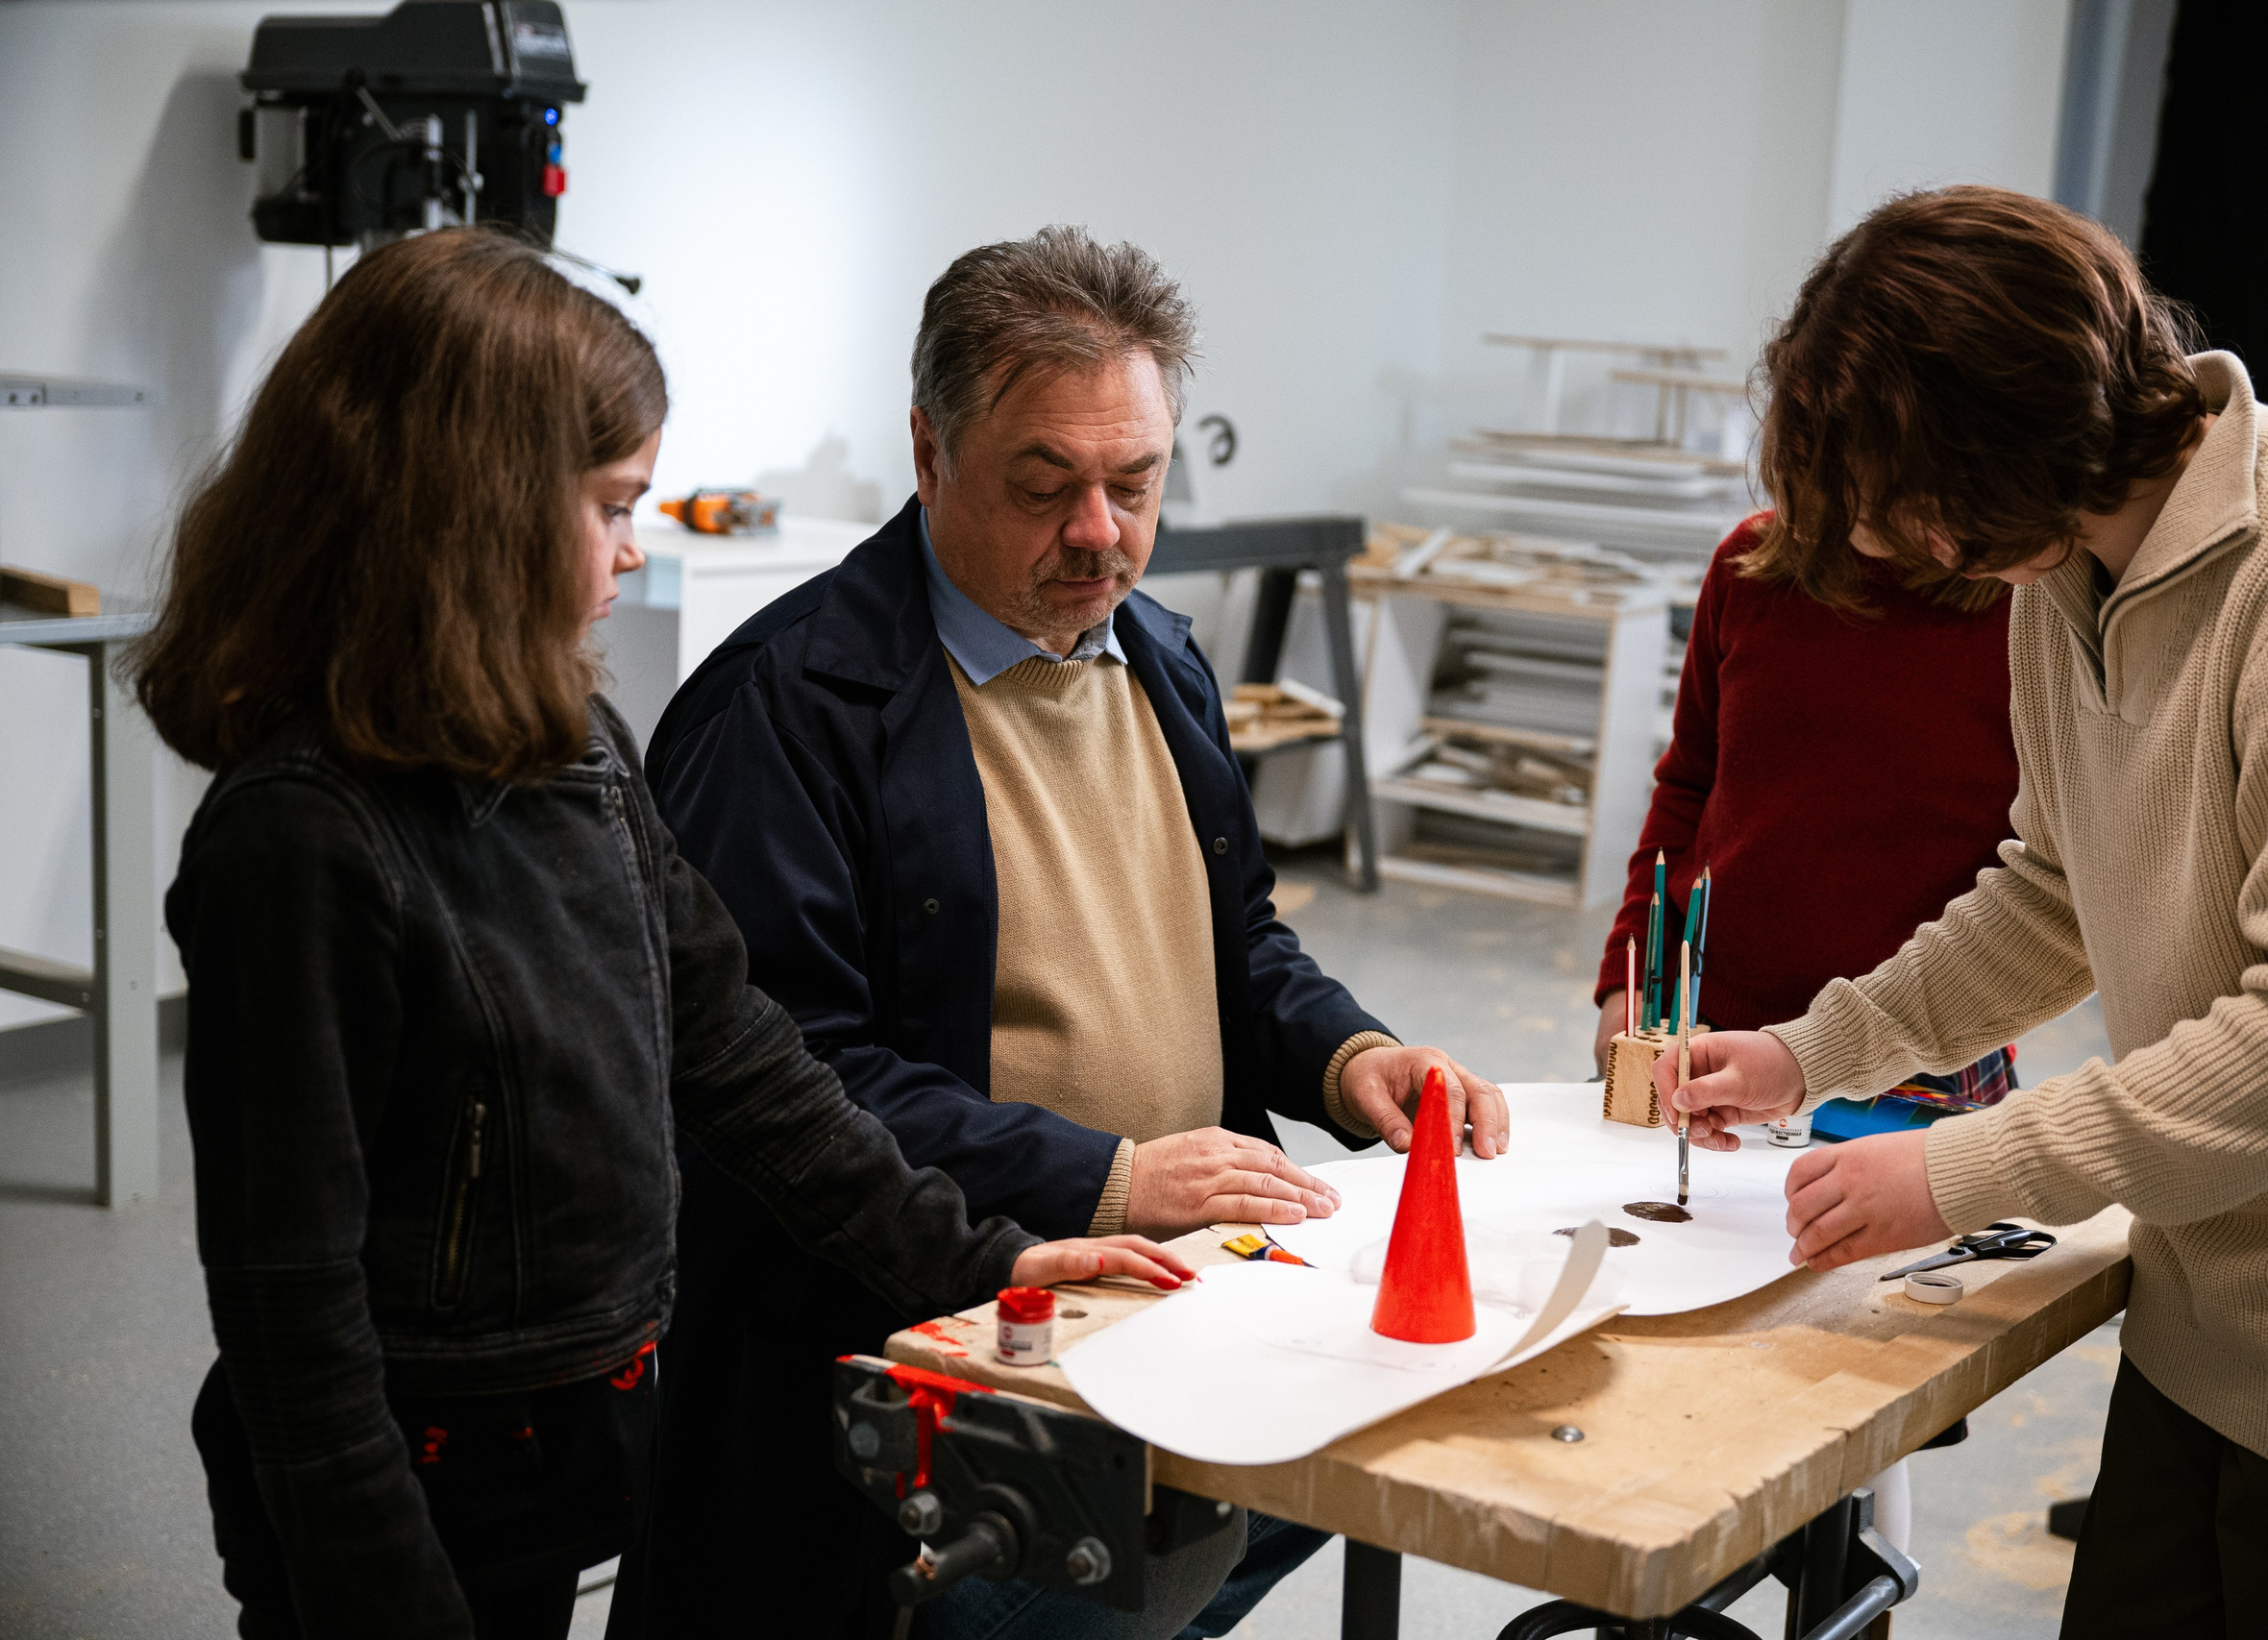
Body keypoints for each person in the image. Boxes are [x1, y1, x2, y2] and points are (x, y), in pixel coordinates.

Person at [133, 228, 1188, 1640]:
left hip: (571, 1464)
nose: (638, 544)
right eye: (613, 503)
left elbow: (752, 1067)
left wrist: (982, 1259)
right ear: (468, 512)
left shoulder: (575, 754)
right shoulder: (300, 841)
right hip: (396, 1509)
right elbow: (294, 1319)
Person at [621, 227, 1506, 1640]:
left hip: (1175, 1304)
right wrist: (1104, 1174)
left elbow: (1236, 939)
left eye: (1134, 482)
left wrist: (1349, 1056)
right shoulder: (785, 711)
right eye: (1046, 484)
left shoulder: (1157, 651)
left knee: (1274, 1512)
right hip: (950, 1337)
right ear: (929, 452)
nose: (1099, 530)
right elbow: (784, 1076)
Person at [1659, 186, 2268, 1634]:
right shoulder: (2066, 569)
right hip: (2204, 1304)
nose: (1898, 545)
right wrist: (1812, 1051)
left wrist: (1964, 1167)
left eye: (1906, 499)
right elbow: (2052, 888)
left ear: (2000, 438)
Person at [1590, 506, 2021, 1130]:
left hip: (1922, 1055)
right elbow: (1688, 784)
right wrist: (1627, 980)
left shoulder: (2029, 605)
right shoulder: (1751, 562)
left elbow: (2043, 880)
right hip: (1707, 1021)